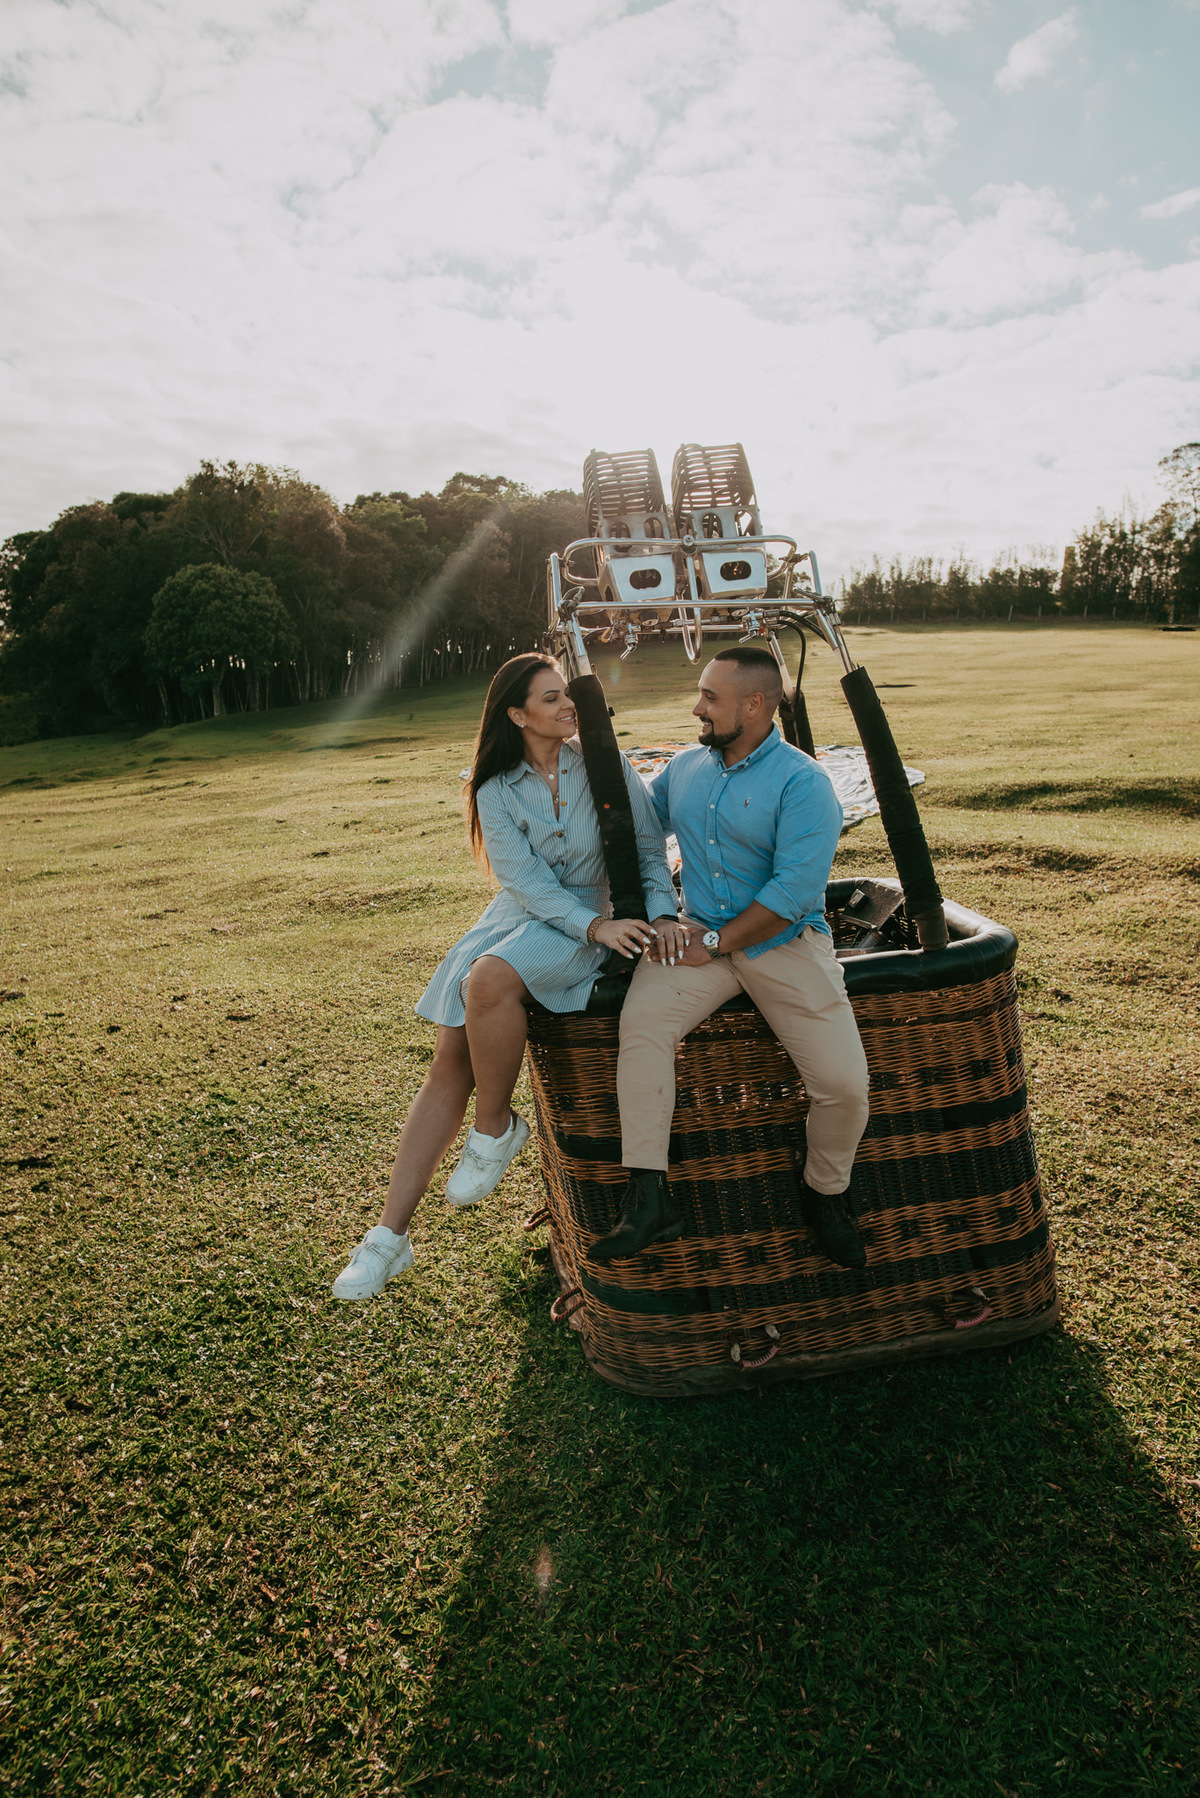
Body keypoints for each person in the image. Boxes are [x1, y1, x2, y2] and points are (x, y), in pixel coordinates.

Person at [332, 652, 683, 1300]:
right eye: (551, 699)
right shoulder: (493, 787)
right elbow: (523, 884)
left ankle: (494, 1125)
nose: (567, 707)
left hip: (598, 913)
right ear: (518, 715)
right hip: (530, 914)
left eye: (566, 696)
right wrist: (588, 926)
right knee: (449, 1058)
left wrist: (653, 915)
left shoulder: (604, 764)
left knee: (487, 983)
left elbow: (646, 848)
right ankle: (388, 1236)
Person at [589, 644, 871, 1270]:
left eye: (710, 698)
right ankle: (649, 1198)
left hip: (781, 944)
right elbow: (639, 826)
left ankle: (826, 1192)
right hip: (697, 938)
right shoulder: (687, 766)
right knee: (642, 1028)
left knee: (846, 1089)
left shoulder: (805, 784)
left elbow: (792, 897)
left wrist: (712, 943)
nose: (697, 709)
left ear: (754, 704)